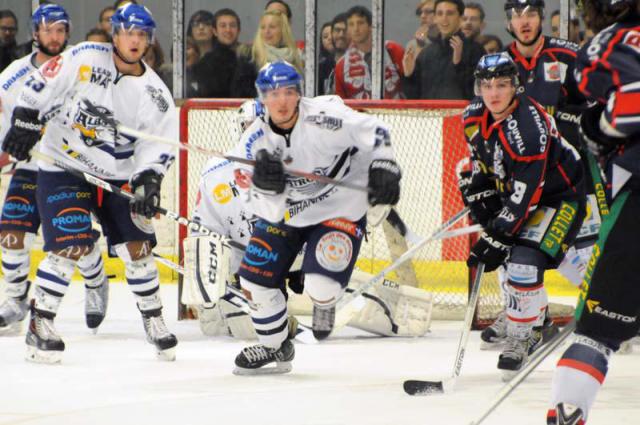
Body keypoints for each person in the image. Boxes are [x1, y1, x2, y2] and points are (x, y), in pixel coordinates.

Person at [1, 3, 177, 364]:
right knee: (70, 244)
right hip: (65, 165)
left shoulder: (155, 93)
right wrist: (25, 117)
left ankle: (153, 318)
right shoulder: (83, 57)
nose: (134, 40)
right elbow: (41, 83)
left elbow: (157, 144)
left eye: (141, 35)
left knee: (137, 249)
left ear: (149, 41)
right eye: (128, 33)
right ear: (115, 35)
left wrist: (149, 180)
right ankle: (41, 323)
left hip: (117, 174)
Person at [186, 99, 431, 341]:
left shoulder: (302, 159)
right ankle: (281, 327)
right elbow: (204, 232)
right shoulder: (216, 174)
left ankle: (393, 313)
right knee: (245, 329)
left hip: (302, 253)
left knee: (329, 286)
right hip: (254, 264)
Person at [225, 61, 401, 374]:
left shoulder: (326, 117)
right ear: (261, 97)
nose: (281, 101)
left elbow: (377, 131)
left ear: (299, 94)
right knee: (253, 281)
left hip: (340, 206)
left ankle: (324, 303)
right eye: (272, 93)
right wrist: (266, 190)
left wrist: (384, 166)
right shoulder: (251, 143)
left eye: (288, 92)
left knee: (321, 286)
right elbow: (257, 207)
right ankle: (274, 346)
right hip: (289, 213)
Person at [480, 0, 600, 349]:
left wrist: (572, 124)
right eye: (517, 15)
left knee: (582, 252)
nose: (524, 21)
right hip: (523, 176)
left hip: (570, 171)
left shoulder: (567, 55)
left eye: (531, 14)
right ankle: (530, 315)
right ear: (508, 21)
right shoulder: (501, 63)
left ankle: (609, 310)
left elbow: (597, 103)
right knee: (512, 245)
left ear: (541, 17)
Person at [462, 52, 585, 378]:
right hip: (520, 195)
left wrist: (498, 233)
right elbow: (480, 165)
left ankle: (524, 335)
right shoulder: (473, 116)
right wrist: (479, 192)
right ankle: (531, 314)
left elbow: (525, 197)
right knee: (507, 255)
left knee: (521, 259)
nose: (494, 93)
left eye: (502, 85)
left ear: (515, 86)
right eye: (487, 85)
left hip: (560, 200)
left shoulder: (528, 129)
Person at [547, 0, 640, 423]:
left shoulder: (611, 41)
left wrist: (592, 125)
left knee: (597, 332)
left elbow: (625, 111)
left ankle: (569, 413)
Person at [0, 3, 110, 336]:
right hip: (32, 167)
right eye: (48, 30)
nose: (55, 36)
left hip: (68, 169)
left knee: (73, 239)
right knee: (11, 232)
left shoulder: (83, 66)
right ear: (35, 33)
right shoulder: (12, 76)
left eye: (60, 29)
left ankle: (96, 281)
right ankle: (16, 297)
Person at [402, 0, 485, 100]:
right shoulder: (427, 53)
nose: (444, 19)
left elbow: (477, 95)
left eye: (450, 13)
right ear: (435, 18)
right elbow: (413, 97)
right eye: (440, 14)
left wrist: (458, 64)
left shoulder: (475, 50)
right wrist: (409, 74)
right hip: (430, 114)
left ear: (460, 18)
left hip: (460, 114)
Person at [334, 6, 405, 99]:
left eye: (360, 23)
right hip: (358, 113)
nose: (356, 29)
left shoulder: (393, 50)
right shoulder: (341, 66)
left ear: (371, 26)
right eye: (351, 24)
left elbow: (411, 87)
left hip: (395, 112)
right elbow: (340, 102)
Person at [231, 10, 303, 98]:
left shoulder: (294, 56)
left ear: (283, 31)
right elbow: (240, 92)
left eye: (272, 27)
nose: (267, 31)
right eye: (263, 27)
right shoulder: (249, 56)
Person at [191, 8, 241, 98]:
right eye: (223, 26)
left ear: (238, 30)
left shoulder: (247, 59)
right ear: (215, 31)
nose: (228, 30)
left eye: (232, 25)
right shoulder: (206, 63)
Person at [402, 0, 437, 83]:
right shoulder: (412, 45)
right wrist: (419, 46)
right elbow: (413, 80)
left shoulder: (450, 42)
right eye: (420, 12)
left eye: (428, 12)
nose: (422, 16)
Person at [317, 22, 335, 95]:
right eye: (325, 36)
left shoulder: (349, 62)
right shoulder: (318, 67)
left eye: (333, 34)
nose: (329, 38)